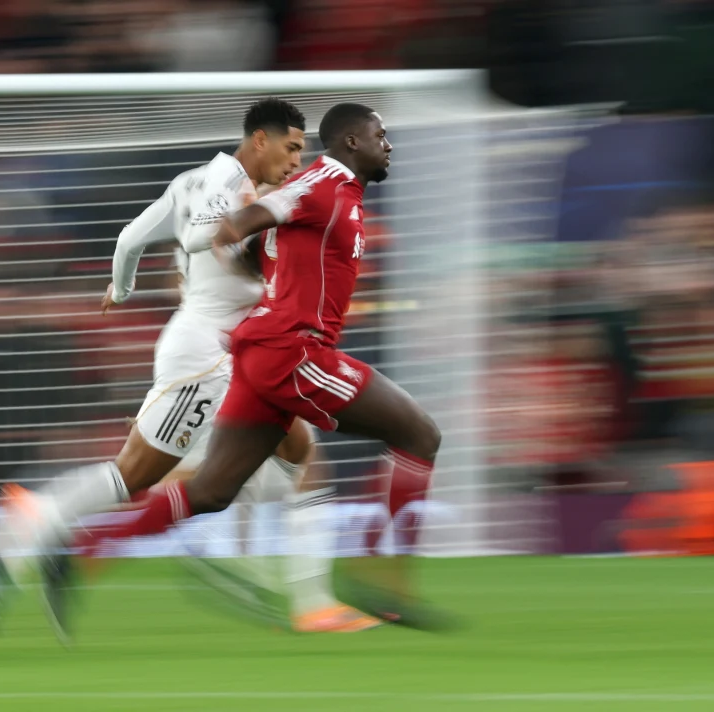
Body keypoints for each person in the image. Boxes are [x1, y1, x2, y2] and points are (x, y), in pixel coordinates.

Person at [0, 98, 381, 640]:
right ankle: (27, 523)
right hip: (209, 357)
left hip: (219, 347)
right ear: (262, 139)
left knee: (297, 461)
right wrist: (234, 243)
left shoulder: (190, 181)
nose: (297, 160)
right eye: (292, 147)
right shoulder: (238, 194)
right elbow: (197, 237)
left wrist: (122, 285)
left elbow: (130, 238)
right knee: (136, 474)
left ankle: (314, 604)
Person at [41, 103, 444, 633]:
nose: (388, 144)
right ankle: (384, 580)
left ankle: (86, 549)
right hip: (295, 353)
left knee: (211, 492)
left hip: (262, 355)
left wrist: (261, 264)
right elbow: (236, 224)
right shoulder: (322, 182)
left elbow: (262, 232)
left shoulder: (337, 193)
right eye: (380, 135)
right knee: (420, 434)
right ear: (350, 142)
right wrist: (234, 248)